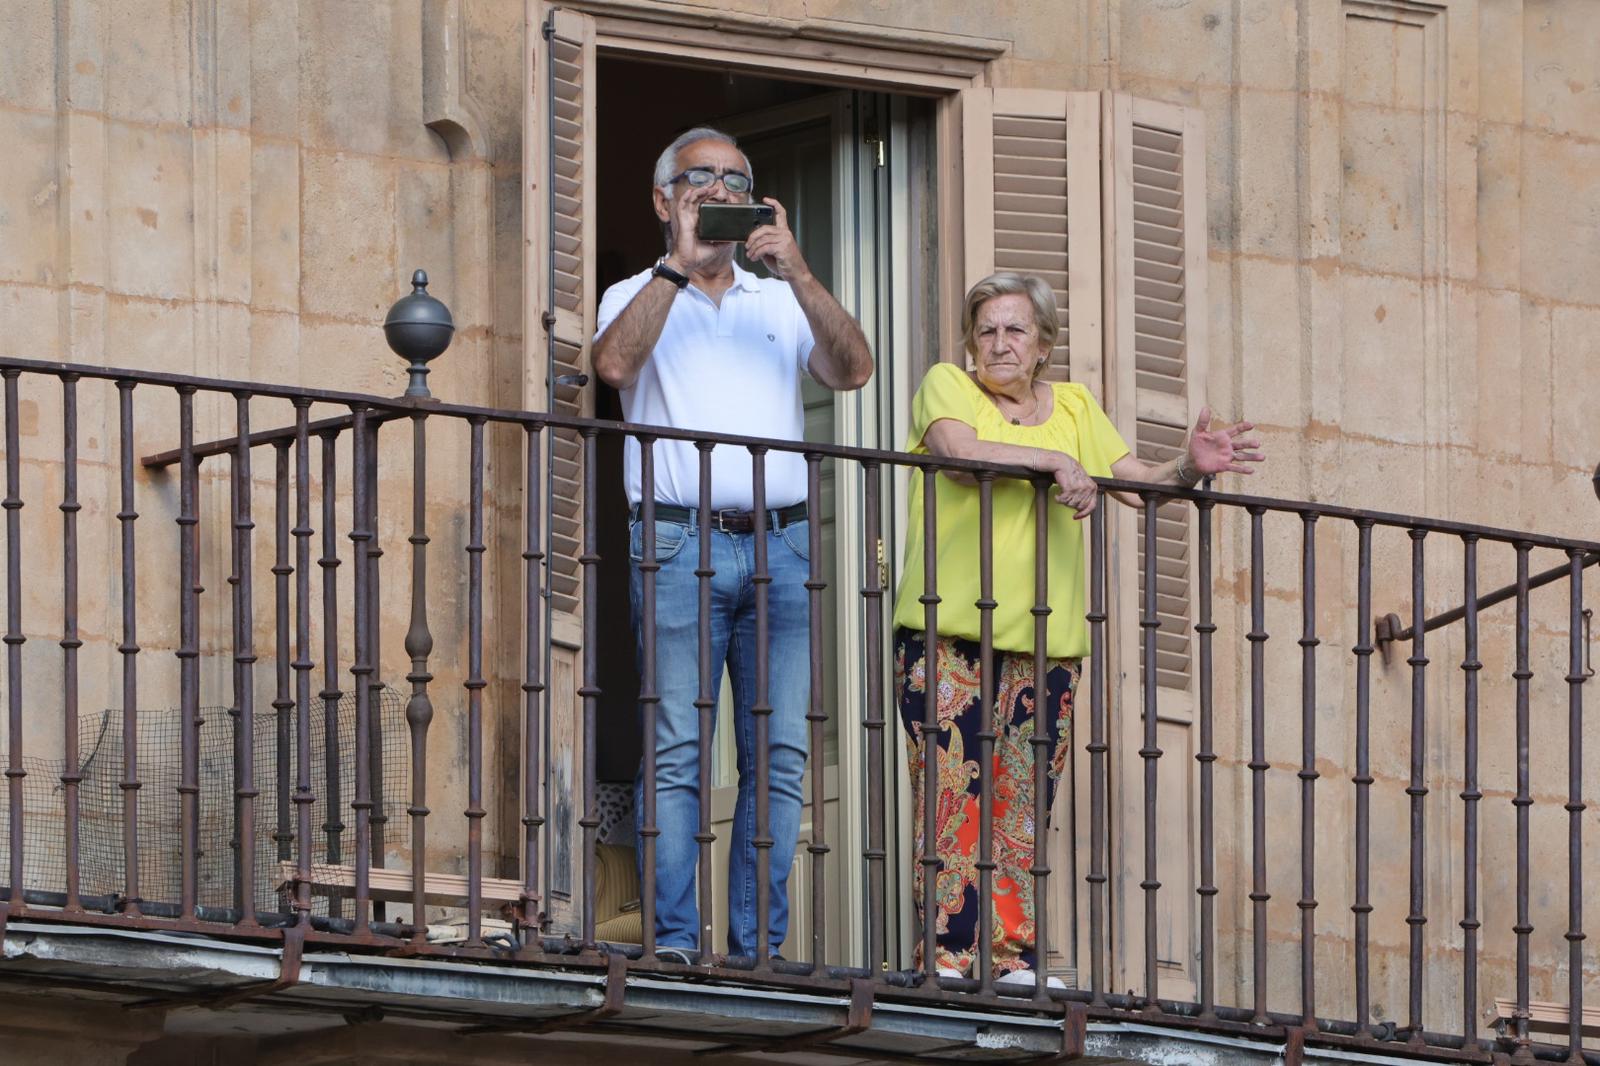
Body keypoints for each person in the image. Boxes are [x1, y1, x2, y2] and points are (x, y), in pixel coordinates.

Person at [892, 272, 1262, 987]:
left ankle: (1011, 958)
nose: (999, 344)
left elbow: (1138, 480)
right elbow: (960, 456)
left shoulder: (1075, 406)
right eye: (987, 330)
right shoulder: (948, 386)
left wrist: (1191, 465)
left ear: (1043, 346)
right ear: (971, 342)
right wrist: (1057, 462)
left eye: (1015, 331)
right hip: (948, 633)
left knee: (1023, 804)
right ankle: (949, 956)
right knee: (951, 798)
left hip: (1048, 641)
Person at [593, 127, 873, 962]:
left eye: (734, 179)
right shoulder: (632, 292)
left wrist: (798, 270)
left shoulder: (778, 299)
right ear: (663, 198)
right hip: (678, 545)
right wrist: (678, 265)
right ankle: (676, 942)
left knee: (780, 755)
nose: (717, 189)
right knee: (678, 745)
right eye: (699, 178)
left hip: (783, 549)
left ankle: (758, 951)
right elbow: (612, 367)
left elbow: (854, 369)